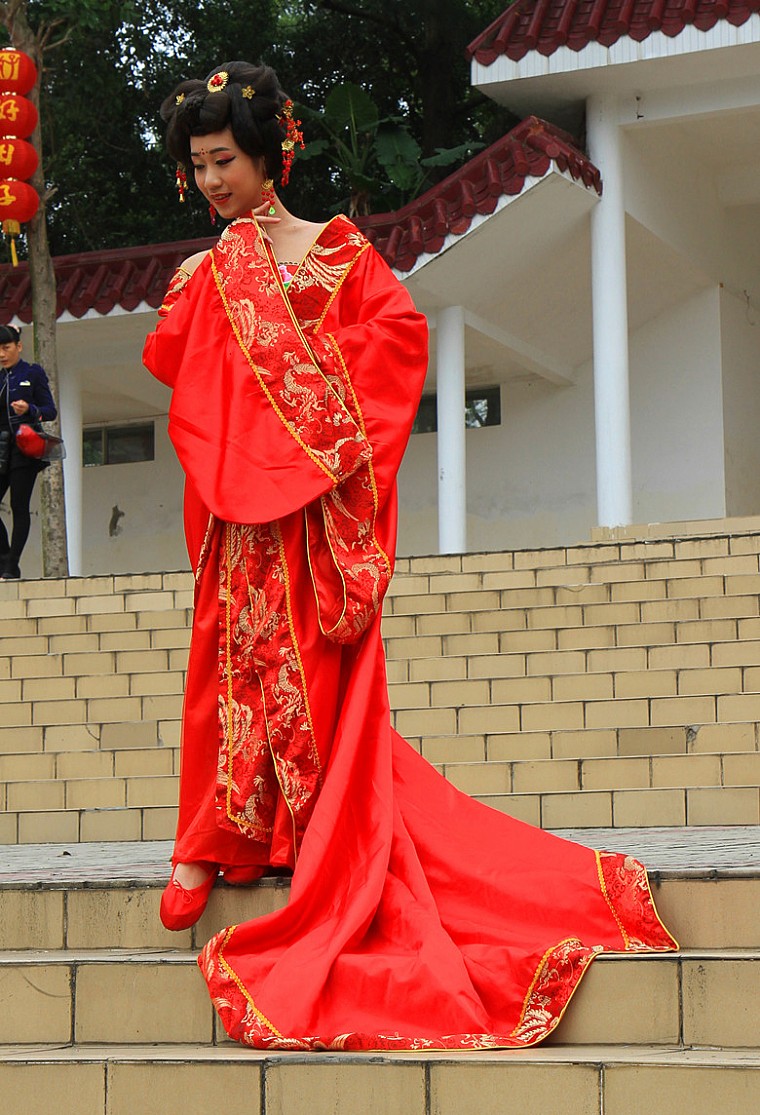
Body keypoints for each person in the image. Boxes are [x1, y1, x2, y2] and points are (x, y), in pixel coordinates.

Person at [143, 61, 677, 1053]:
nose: (211, 180)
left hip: (317, 518)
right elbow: (189, 383)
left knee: (312, 678)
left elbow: (393, 346)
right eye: (199, 165)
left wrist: (311, 416)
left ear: (268, 156)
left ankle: (310, 836)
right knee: (227, 667)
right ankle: (213, 840)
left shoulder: (338, 253)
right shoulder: (209, 272)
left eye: (223, 161)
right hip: (238, 516)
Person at [0, 324, 57, 580]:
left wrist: (30, 410)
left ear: (18, 346)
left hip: (25, 445)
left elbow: (50, 410)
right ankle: (4, 557)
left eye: (6, 347)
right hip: (2, 447)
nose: (2, 354)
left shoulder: (32, 373)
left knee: (18, 505)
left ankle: (12, 565)